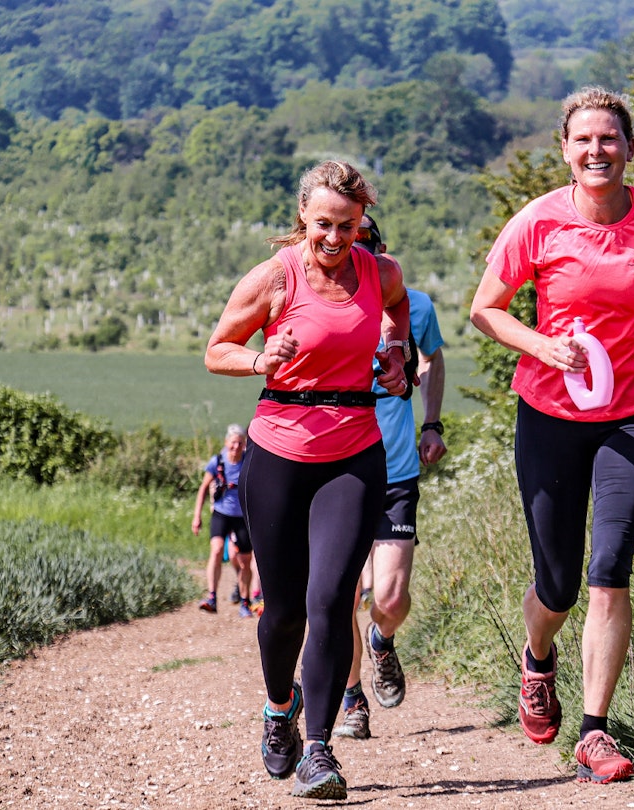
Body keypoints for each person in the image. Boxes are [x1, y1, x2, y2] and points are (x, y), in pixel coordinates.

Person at [468, 87, 634, 785]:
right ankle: (537, 659)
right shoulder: (537, 223)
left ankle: (594, 732)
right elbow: (486, 310)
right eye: (583, 140)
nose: (597, 151)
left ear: (629, 148)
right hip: (551, 412)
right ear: (565, 149)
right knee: (557, 586)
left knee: (610, 569)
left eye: (609, 139)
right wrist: (541, 346)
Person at [205, 160, 410, 801]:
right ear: (304, 218)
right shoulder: (275, 276)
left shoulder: (382, 273)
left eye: (347, 225)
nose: (334, 236)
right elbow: (216, 349)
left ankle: (319, 749)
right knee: (285, 610)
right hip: (279, 452)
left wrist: (395, 355)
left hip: (354, 452)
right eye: (323, 223)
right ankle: (277, 707)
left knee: (331, 603)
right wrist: (261, 358)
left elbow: (398, 314)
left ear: (362, 222)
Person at [333, 215, 448, 741]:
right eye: (346, 243)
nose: (354, 251)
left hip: (396, 469)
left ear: (380, 249)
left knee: (392, 597)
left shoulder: (415, 305)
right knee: (341, 597)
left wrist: (431, 422)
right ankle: (353, 697)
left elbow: (434, 361)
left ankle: (382, 641)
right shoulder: (326, 305)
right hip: (337, 469)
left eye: (364, 242)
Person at [190, 424, 255, 618]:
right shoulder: (217, 462)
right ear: (226, 443)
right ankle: (212, 597)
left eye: (240, 443)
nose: (236, 446)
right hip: (221, 514)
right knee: (217, 549)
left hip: (242, 517)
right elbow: (203, 489)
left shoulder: (247, 463)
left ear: (244, 445)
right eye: (233, 442)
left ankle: (245, 601)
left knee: (245, 561)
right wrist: (197, 516)